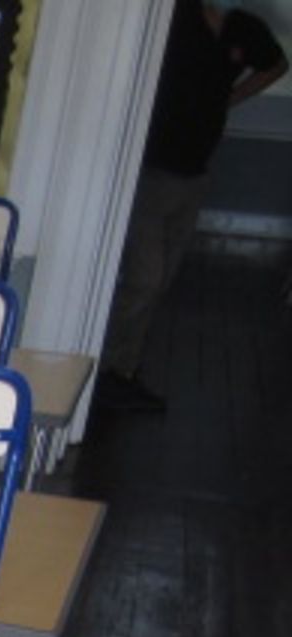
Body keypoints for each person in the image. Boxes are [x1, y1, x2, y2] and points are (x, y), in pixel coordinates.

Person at [98, 2, 286, 413]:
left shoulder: (241, 29)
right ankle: (104, 370)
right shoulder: (169, 21)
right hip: (149, 170)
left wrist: (228, 99)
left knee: (159, 279)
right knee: (145, 279)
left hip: (194, 173)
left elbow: (276, 64)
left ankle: (120, 370)